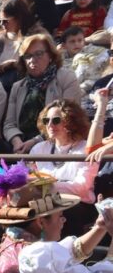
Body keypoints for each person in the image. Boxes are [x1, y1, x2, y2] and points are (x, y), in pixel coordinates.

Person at [28, 100, 99, 235]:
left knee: (56, 211)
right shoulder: (39, 148)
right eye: (46, 120)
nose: (49, 125)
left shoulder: (86, 148)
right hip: (45, 201)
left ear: (71, 122)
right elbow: (29, 179)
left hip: (78, 205)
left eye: (56, 120)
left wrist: (47, 185)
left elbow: (82, 187)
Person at [4, 34, 83, 152]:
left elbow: (68, 119)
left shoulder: (66, 78)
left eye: (39, 54)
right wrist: (17, 141)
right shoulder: (17, 87)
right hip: (20, 145)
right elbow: (9, 124)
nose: (32, 60)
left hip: (56, 143)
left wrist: (35, 142)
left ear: (51, 55)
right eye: (28, 56)